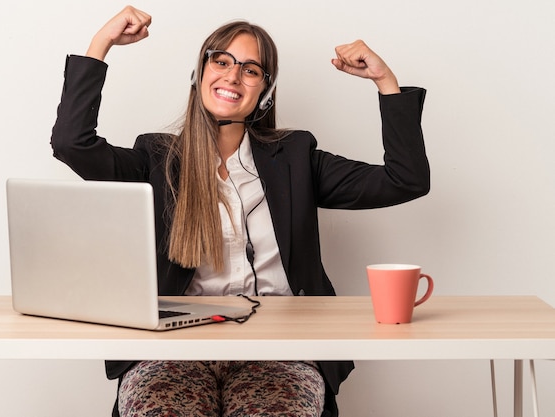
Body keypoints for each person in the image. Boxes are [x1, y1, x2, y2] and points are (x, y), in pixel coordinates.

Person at [50, 5, 430, 417]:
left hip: (280, 350)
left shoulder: (296, 157)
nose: (233, 75)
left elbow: (404, 179)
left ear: (264, 91)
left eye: (251, 69)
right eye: (222, 61)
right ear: (201, 75)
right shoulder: (156, 158)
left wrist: (385, 82)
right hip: (172, 352)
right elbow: (73, 144)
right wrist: (101, 43)